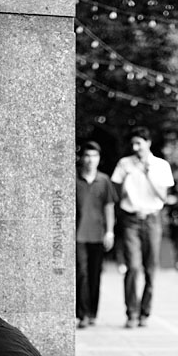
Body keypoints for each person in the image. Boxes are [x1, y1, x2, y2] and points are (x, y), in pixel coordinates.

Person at [111, 126, 175, 328]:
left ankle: (145, 313)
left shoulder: (161, 165)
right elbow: (116, 193)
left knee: (150, 268)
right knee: (133, 266)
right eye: (133, 143)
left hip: (153, 219)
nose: (135, 147)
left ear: (148, 143)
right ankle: (131, 312)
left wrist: (148, 174)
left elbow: (163, 196)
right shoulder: (124, 164)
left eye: (139, 143)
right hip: (131, 219)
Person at [75, 141, 117, 328]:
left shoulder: (104, 180)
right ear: (81, 158)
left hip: (98, 234)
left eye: (94, 156)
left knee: (95, 274)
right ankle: (82, 314)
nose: (90, 160)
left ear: (99, 159)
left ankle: (92, 312)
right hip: (77, 235)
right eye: (87, 155)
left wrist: (110, 231)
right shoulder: (73, 179)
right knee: (81, 274)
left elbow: (109, 206)